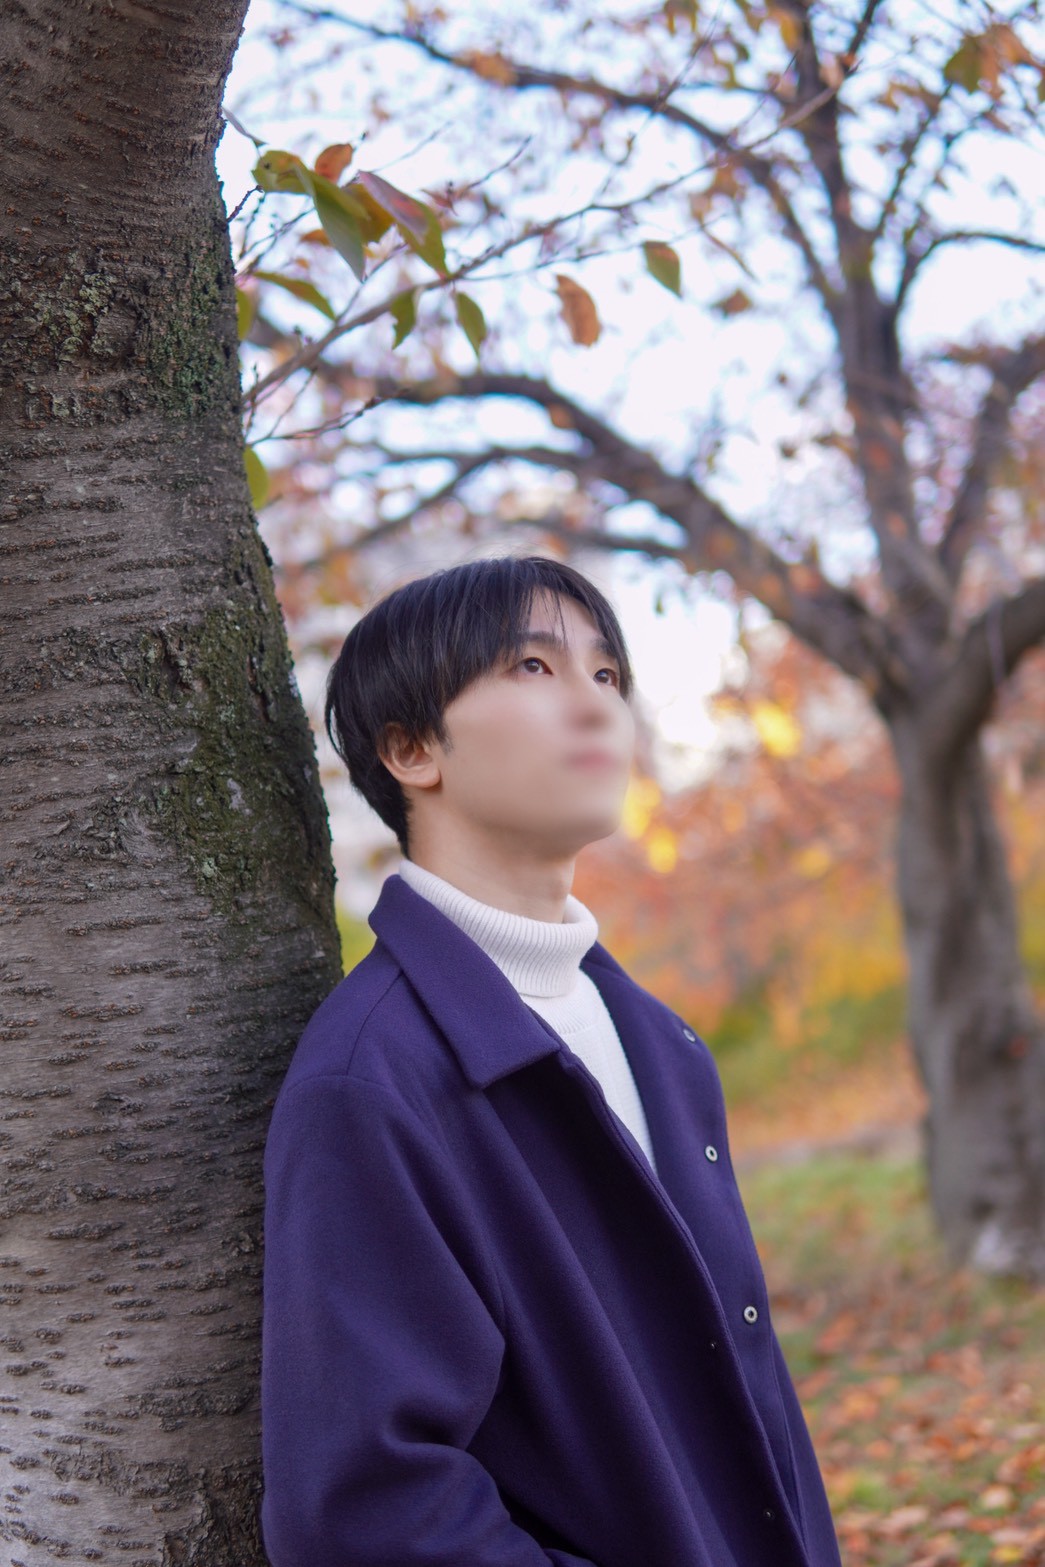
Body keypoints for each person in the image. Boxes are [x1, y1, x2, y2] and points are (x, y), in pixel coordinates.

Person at [260, 552, 843, 1567]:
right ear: (410, 748)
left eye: (606, 674)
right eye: (533, 668)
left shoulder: (661, 1042)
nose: (594, 705)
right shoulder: (373, 1079)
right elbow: (363, 1508)